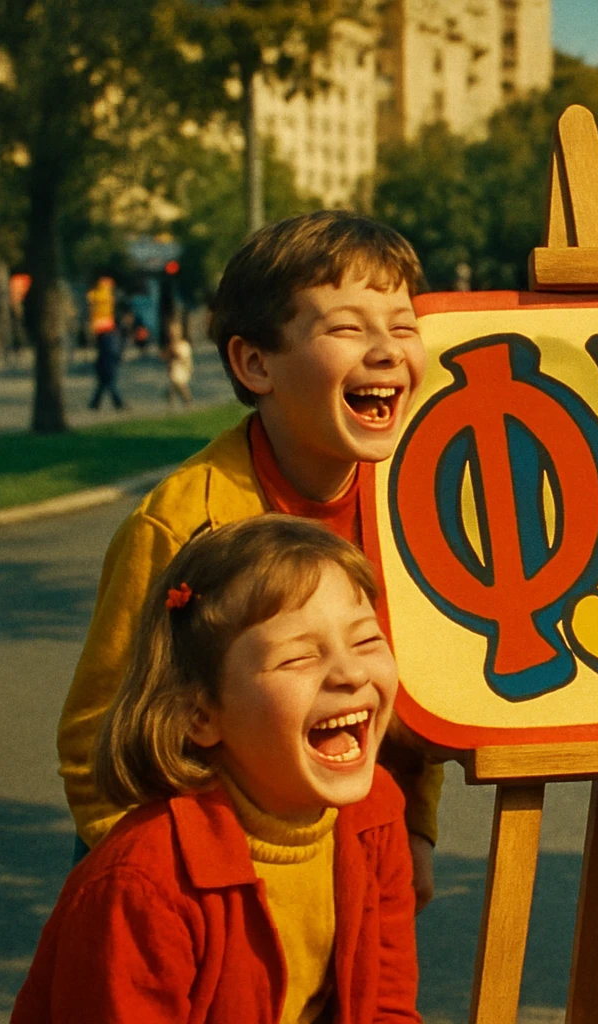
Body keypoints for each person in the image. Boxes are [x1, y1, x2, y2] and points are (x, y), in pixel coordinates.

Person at [57, 210, 444, 911]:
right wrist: (168, 889)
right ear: (254, 363)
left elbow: (411, 696)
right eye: (348, 328)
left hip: (346, 864)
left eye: (404, 324)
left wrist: (415, 825)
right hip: (198, 884)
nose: (388, 350)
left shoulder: (416, 514)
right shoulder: (181, 526)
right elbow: (98, 740)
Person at [14, 516, 422, 1023]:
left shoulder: (374, 811)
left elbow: (385, 1008)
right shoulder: (143, 887)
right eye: (298, 658)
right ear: (201, 714)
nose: (351, 672)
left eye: (365, 641)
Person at [161, 313, 194, 406]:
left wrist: (175, 352)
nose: (173, 334)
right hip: (174, 368)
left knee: (179, 384)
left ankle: (187, 399)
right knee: (175, 384)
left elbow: (183, 356)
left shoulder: (183, 345)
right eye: (171, 332)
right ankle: (171, 399)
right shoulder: (170, 345)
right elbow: (166, 356)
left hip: (182, 368)